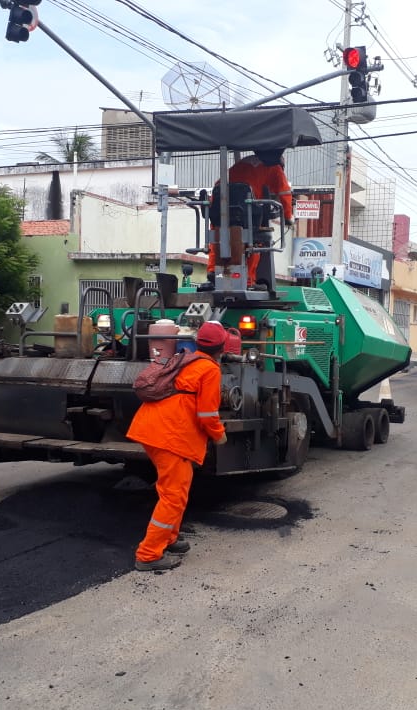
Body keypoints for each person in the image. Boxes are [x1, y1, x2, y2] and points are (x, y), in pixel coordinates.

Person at [126, 321, 228, 571]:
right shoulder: (209, 370)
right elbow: (207, 414)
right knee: (173, 496)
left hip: (152, 428)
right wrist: (219, 435)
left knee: (171, 490)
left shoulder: (186, 360)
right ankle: (149, 555)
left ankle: (169, 538)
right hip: (171, 436)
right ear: (222, 347)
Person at [206, 149, 294, 289]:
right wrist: (289, 217)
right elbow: (284, 193)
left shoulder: (242, 163)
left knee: (219, 236)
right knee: (255, 240)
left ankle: (213, 271)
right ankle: (248, 280)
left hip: (222, 206)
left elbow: (219, 183)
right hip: (245, 210)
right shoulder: (274, 167)